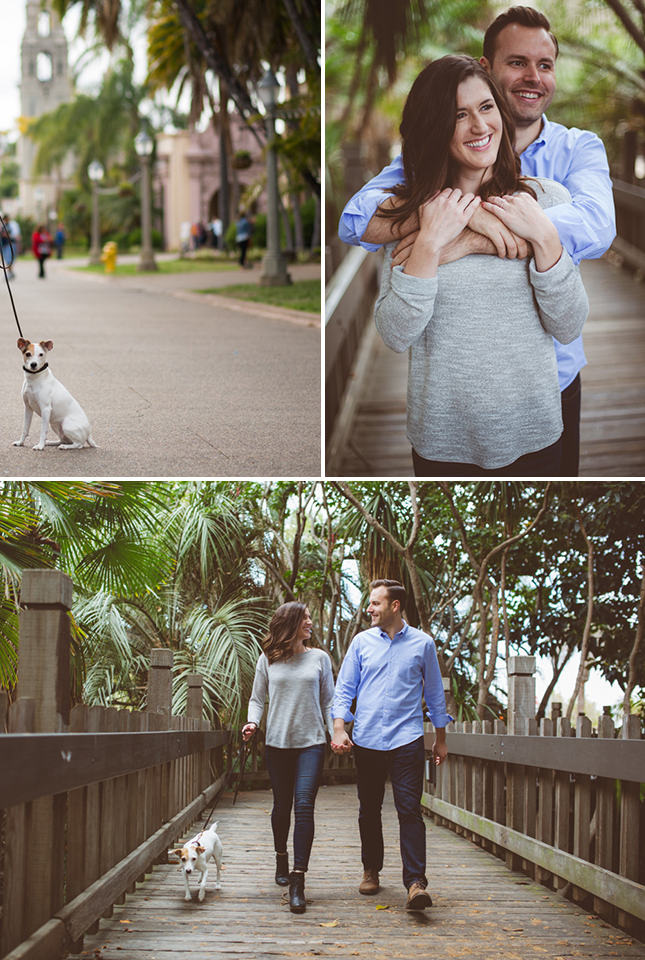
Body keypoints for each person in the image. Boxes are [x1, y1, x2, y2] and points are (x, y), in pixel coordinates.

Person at [340, 6, 616, 476]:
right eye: (517, 63)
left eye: (544, 65)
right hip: (443, 434)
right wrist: (433, 238)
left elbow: (595, 228)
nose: (533, 77)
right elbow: (356, 221)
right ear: (488, 68)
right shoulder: (416, 202)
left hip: (545, 397)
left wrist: (467, 237)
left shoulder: (559, 178)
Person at [373, 54, 588, 475]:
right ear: (435, 127)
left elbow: (569, 324)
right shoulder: (413, 217)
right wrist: (431, 245)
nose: (479, 126)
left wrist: (545, 239)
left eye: (486, 107)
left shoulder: (546, 201)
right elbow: (395, 334)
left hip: (536, 431)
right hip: (442, 440)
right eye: (459, 115)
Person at [330, 580, 452, 911]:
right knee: (368, 809)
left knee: (409, 809)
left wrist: (440, 740)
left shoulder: (423, 644)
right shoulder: (361, 643)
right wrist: (340, 728)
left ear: (394, 606)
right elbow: (345, 689)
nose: (368, 609)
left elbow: (434, 695)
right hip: (367, 738)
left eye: (375, 603)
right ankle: (371, 869)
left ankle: (415, 883)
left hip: (406, 739)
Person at [242, 602, 334, 914]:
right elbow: (257, 699)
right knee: (281, 807)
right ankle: (280, 856)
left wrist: (337, 734)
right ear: (291, 623)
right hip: (277, 744)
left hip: (311, 743)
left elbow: (329, 702)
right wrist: (252, 722)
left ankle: (298, 880)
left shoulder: (320, 658)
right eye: (306, 618)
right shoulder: (267, 659)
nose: (311, 622)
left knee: (304, 805)